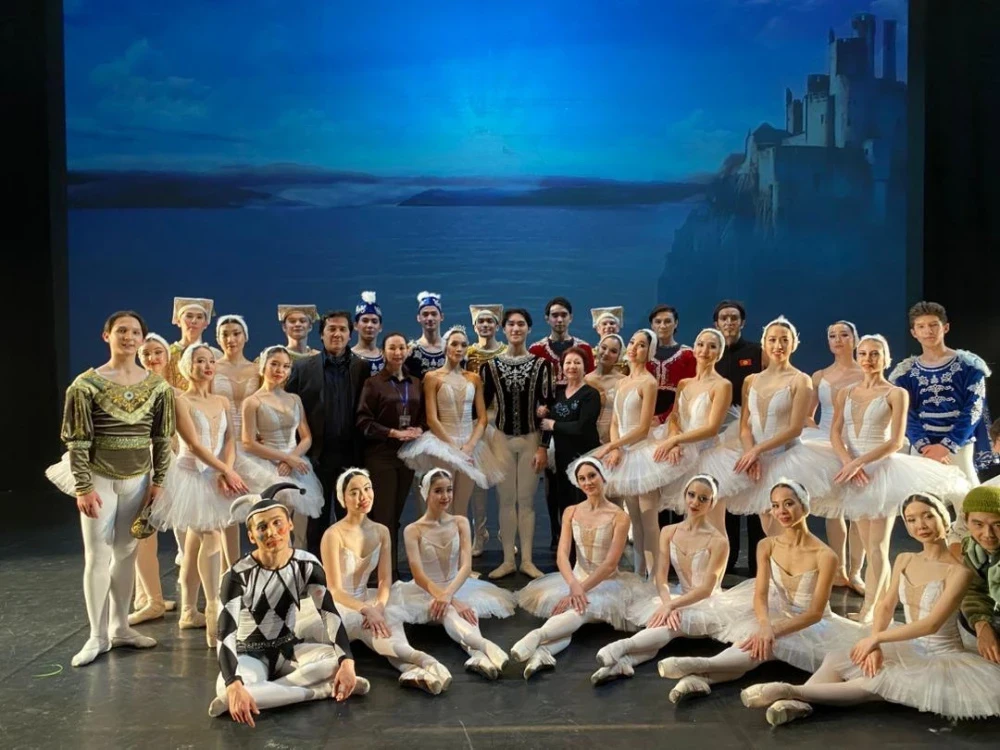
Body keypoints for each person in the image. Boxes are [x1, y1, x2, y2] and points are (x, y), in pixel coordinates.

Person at [739, 493, 1000, 726]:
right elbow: (886, 606)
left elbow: (931, 624)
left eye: (928, 516)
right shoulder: (905, 559)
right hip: (909, 644)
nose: (920, 525)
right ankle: (797, 706)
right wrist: (875, 642)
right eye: (911, 520)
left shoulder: (960, 571)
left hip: (941, 655)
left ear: (944, 518)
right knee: (838, 658)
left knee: (877, 680)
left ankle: (791, 691)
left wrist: (877, 639)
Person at [46, 311, 175, 667]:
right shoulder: (86, 385)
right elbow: (77, 440)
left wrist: (159, 482)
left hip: (138, 480)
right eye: (121, 331)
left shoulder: (158, 387)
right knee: (98, 556)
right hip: (99, 479)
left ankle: (120, 627)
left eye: (135, 332)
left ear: (142, 339)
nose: (129, 337)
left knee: (126, 553)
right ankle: (97, 635)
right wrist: (83, 487)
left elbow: (162, 439)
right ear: (107, 336)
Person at [657, 480, 861, 704]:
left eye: (789, 504)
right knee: (754, 643)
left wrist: (773, 630)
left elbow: (814, 614)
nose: (781, 511)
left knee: (760, 646)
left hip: (813, 626)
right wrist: (765, 625)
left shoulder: (826, 555)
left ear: (804, 506)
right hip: (776, 613)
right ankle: (700, 678)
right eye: (775, 505)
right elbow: (760, 594)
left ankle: (702, 667)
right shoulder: (766, 545)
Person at [822, 334, 970, 622]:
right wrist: (848, 462)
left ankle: (871, 609)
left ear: (886, 358)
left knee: (877, 547)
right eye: (863, 354)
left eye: (874, 354)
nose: (868, 359)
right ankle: (878, 605)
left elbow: (896, 441)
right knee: (868, 545)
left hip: (880, 472)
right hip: (854, 471)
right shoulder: (845, 393)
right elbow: (835, 432)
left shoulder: (895, 393)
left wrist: (861, 462)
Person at [209, 485, 364, 727]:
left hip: (288, 650)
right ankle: (319, 691)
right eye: (262, 527)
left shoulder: (307, 564)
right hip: (249, 655)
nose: (272, 532)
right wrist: (233, 684)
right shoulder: (237, 575)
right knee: (227, 687)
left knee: (337, 662)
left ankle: (259, 695)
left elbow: (329, 614)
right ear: (251, 536)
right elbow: (225, 635)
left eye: (277, 523)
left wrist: (347, 663)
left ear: (290, 524)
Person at [699, 316, 841, 537]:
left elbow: (795, 428)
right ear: (764, 343)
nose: (778, 345)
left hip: (786, 457)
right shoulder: (751, 380)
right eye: (772, 340)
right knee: (768, 524)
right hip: (757, 459)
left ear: (793, 344)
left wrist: (757, 450)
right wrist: (750, 452)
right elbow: (745, 426)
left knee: (785, 526)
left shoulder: (800, 380)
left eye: (784, 340)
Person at [318, 468, 452, 694]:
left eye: (367, 489)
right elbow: (334, 589)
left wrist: (378, 607)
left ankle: (412, 671)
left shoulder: (381, 531)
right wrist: (366, 610)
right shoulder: (333, 534)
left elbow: (384, 580)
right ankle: (429, 662)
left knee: (386, 630)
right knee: (379, 632)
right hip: (339, 605)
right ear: (343, 499)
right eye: (354, 492)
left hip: (369, 601)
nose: (363, 497)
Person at [150, 344, 249, 645]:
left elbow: (230, 440)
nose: (207, 365)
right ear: (186, 366)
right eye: (200, 361)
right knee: (211, 536)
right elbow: (193, 444)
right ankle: (214, 610)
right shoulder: (181, 400)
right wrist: (225, 470)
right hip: (190, 476)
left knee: (193, 546)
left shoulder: (222, 400)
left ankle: (188, 611)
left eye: (210, 361)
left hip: (215, 475)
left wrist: (225, 470)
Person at [590, 475, 729, 685]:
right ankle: (625, 662)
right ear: (684, 495)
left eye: (703, 499)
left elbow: (706, 589)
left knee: (668, 626)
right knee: (665, 622)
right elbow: (661, 577)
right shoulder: (669, 531)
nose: (695, 502)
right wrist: (667, 602)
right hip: (676, 596)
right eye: (691, 495)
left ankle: (622, 647)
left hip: (706, 603)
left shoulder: (718, 541)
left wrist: (672, 606)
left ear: (712, 503)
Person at [511, 457, 639, 678]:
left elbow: (610, 564)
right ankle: (543, 652)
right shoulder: (571, 511)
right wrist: (573, 584)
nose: (588, 482)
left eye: (592, 476)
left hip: (606, 583)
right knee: (571, 610)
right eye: (582, 478)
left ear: (603, 476)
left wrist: (581, 588)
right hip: (575, 578)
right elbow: (562, 555)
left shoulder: (620, 517)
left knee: (579, 609)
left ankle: (538, 636)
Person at [395, 469, 515, 679]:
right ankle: (483, 647)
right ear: (426, 493)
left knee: (465, 611)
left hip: (456, 586)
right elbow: (418, 574)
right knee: (451, 610)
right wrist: (446, 598)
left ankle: (478, 657)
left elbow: (466, 567)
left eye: (449, 490)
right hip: (425, 591)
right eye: (438, 491)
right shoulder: (413, 530)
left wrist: (449, 595)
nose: (445, 496)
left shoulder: (460, 522)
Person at [399, 326, 510, 521]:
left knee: (461, 506)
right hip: (443, 444)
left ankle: (462, 541)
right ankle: (443, 541)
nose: (459, 349)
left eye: (463, 345)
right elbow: (432, 418)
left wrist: (469, 446)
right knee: (444, 505)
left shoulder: (474, 378)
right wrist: (453, 448)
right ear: (445, 347)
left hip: (470, 445)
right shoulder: (432, 377)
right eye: (454, 344)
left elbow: (482, 418)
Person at [285, 310, 371, 552]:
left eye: (342, 329)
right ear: (321, 335)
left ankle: (349, 567)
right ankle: (318, 569)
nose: (337, 334)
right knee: (317, 522)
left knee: (351, 518)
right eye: (331, 329)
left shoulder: (362, 368)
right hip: (316, 457)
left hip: (352, 456)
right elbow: (289, 410)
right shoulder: (303, 368)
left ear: (350, 335)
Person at [889, 301, 993, 502]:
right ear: (914, 333)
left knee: (969, 504)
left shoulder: (969, 367)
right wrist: (925, 446)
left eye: (933, 325)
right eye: (921, 326)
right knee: (922, 506)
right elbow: (906, 414)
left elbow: (973, 409)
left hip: (959, 446)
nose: (928, 331)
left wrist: (947, 446)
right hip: (923, 449)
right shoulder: (905, 373)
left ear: (945, 327)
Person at [480, 308, 553, 580]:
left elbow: (548, 408)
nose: (516, 328)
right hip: (502, 439)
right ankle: (508, 560)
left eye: (521, 324)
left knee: (527, 501)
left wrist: (544, 446)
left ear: (528, 329)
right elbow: (482, 407)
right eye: (511, 324)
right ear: (504, 329)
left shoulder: (542, 365)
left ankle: (528, 560)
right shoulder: (490, 366)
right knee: (506, 500)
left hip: (531, 438)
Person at [592, 329, 670, 577]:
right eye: (633, 342)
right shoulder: (622, 382)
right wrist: (616, 447)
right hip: (624, 454)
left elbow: (643, 428)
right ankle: (638, 574)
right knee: (634, 520)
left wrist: (612, 446)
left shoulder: (649, 382)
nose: (635, 348)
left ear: (650, 352)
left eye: (642, 345)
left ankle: (656, 577)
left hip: (642, 454)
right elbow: (615, 421)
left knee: (649, 521)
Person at [804, 321, 866, 595]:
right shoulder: (819, 376)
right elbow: (808, 414)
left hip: (860, 444)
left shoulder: (866, 371)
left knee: (860, 509)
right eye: (832, 336)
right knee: (835, 508)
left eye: (844, 335)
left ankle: (856, 572)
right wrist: (823, 437)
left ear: (855, 339)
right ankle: (839, 569)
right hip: (827, 444)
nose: (838, 339)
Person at [357, 332, 425, 579]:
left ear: (407, 350)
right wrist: (392, 432)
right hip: (381, 456)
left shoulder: (416, 383)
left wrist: (419, 429)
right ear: (383, 352)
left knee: (395, 516)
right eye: (392, 348)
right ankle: (382, 573)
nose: (397, 352)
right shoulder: (373, 383)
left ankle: (390, 567)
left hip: (406, 456)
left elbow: (424, 417)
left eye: (401, 347)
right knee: (382, 516)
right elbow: (363, 421)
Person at [240, 346, 325, 542]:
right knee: (277, 524)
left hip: (297, 464)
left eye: (286, 366)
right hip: (270, 465)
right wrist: (285, 459)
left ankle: (300, 559)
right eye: (275, 364)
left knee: (302, 526)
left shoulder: (294, 399)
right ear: (263, 366)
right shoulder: (252, 402)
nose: (280, 370)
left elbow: (306, 437)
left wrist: (292, 459)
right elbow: (248, 442)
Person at [651, 328, 733, 528]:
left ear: (719, 353)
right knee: (676, 520)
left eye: (712, 346)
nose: (705, 350)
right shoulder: (684, 383)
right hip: (679, 452)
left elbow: (712, 428)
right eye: (701, 344)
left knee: (710, 523)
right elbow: (674, 416)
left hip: (704, 455)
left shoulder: (722, 385)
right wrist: (674, 441)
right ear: (694, 349)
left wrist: (675, 440)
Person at [712, 300, 765, 576]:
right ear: (716, 323)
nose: (729, 322)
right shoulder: (711, 354)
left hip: (752, 431)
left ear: (742, 322)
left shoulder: (757, 352)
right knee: (727, 494)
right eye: (724, 318)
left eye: (734, 318)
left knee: (755, 493)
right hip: (719, 435)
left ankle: (758, 565)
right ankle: (728, 561)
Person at [129, 332, 177, 624]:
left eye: (158, 352)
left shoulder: (172, 391)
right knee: (142, 532)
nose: (152, 358)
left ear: (167, 357)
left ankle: (151, 599)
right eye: (146, 353)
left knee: (147, 531)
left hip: (166, 464)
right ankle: (148, 598)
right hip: (138, 462)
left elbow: (176, 433)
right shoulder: (132, 388)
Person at [540, 347, 602, 547]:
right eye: (568, 363)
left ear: (585, 367)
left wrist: (554, 425)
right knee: (565, 502)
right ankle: (567, 545)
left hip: (583, 457)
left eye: (577, 362)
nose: (572, 366)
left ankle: (588, 545)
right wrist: (541, 412)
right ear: (562, 367)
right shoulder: (557, 394)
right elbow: (544, 418)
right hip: (561, 457)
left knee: (584, 501)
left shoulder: (591, 394)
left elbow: (582, 427)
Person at [214, 313, 260, 565]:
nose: (231, 339)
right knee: (226, 514)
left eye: (236, 334)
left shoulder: (257, 368)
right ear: (218, 339)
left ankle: (261, 568)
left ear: (246, 337)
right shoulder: (212, 367)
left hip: (253, 446)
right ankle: (229, 572)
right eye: (225, 334)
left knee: (258, 510)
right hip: (222, 444)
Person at [465, 304, 508, 556]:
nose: (485, 325)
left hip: (501, 422)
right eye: (480, 321)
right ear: (474, 326)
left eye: (490, 321)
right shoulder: (468, 353)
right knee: (477, 484)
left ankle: (505, 532)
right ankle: (479, 534)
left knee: (504, 483)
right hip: (476, 422)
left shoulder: (506, 352)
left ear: (497, 325)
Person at [959, 485, 1000, 664]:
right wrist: (982, 625)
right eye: (978, 524)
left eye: (998, 525)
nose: (988, 534)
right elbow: (972, 590)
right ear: (966, 522)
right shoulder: (973, 551)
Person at [529, 296, 595, 387]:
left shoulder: (584, 348)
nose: (560, 320)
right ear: (547, 319)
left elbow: (592, 381)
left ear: (570, 318)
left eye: (564, 315)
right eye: (555, 315)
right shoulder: (536, 350)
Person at [646, 304, 696, 422]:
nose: (663, 326)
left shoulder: (688, 355)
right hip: (644, 416)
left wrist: (665, 417)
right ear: (652, 325)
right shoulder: (643, 354)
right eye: (658, 322)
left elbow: (689, 392)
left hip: (677, 417)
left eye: (667, 321)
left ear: (676, 323)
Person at [164, 297, 222, 390]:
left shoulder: (215, 355)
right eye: (189, 316)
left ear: (206, 323)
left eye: (199, 317)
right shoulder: (166, 353)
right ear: (178, 321)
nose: (194, 321)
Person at [585, 334, 626, 445]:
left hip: (614, 440)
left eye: (613, 351)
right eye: (604, 348)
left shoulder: (624, 381)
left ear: (619, 356)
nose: (606, 353)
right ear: (598, 348)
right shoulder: (585, 380)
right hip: (587, 439)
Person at [405, 291, 447, 379]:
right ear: (418, 318)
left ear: (442, 317)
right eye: (425, 314)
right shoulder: (411, 351)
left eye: (434, 314)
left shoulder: (451, 349)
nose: (430, 318)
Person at [351, 291, 385, 374]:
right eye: (365, 320)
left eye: (374, 321)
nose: (370, 325)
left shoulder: (386, 358)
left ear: (380, 327)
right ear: (355, 325)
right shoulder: (346, 357)